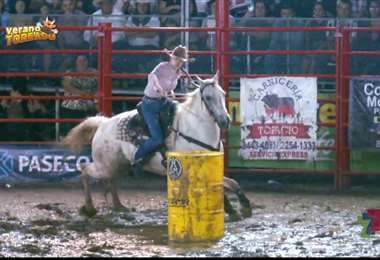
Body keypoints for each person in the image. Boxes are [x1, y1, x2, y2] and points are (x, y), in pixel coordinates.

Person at [132, 45, 191, 172]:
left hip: (163, 102)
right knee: (157, 138)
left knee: (179, 109)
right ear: (172, 58)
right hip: (150, 104)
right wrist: (159, 89)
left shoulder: (178, 72)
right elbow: (152, 77)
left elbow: (170, 85)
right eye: (177, 60)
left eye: (181, 61)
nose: (179, 63)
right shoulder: (162, 66)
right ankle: (137, 157)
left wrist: (170, 92)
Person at [60, 55, 97, 136]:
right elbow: (67, 86)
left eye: (84, 60)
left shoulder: (94, 72)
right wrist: (82, 93)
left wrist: (92, 94)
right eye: (79, 60)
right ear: (76, 62)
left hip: (89, 100)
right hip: (72, 100)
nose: (82, 63)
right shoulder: (70, 72)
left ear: (88, 61)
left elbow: (101, 85)